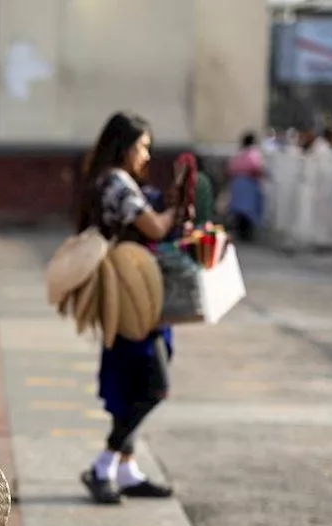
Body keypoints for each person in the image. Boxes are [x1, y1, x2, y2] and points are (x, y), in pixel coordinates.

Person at [75, 112, 185, 505]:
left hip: (130, 290)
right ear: (124, 146)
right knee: (153, 382)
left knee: (134, 381)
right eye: (142, 147)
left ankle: (125, 468)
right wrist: (179, 207)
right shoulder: (117, 183)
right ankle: (104, 464)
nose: (146, 155)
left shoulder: (107, 181)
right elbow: (154, 228)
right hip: (130, 294)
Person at [226, 132, 265, 241]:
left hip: (237, 183)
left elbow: (230, 169)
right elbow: (257, 167)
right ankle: (247, 234)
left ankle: (240, 231)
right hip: (249, 185)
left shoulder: (238, 154)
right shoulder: (253, 153)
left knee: (239, 212)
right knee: (249, 211)